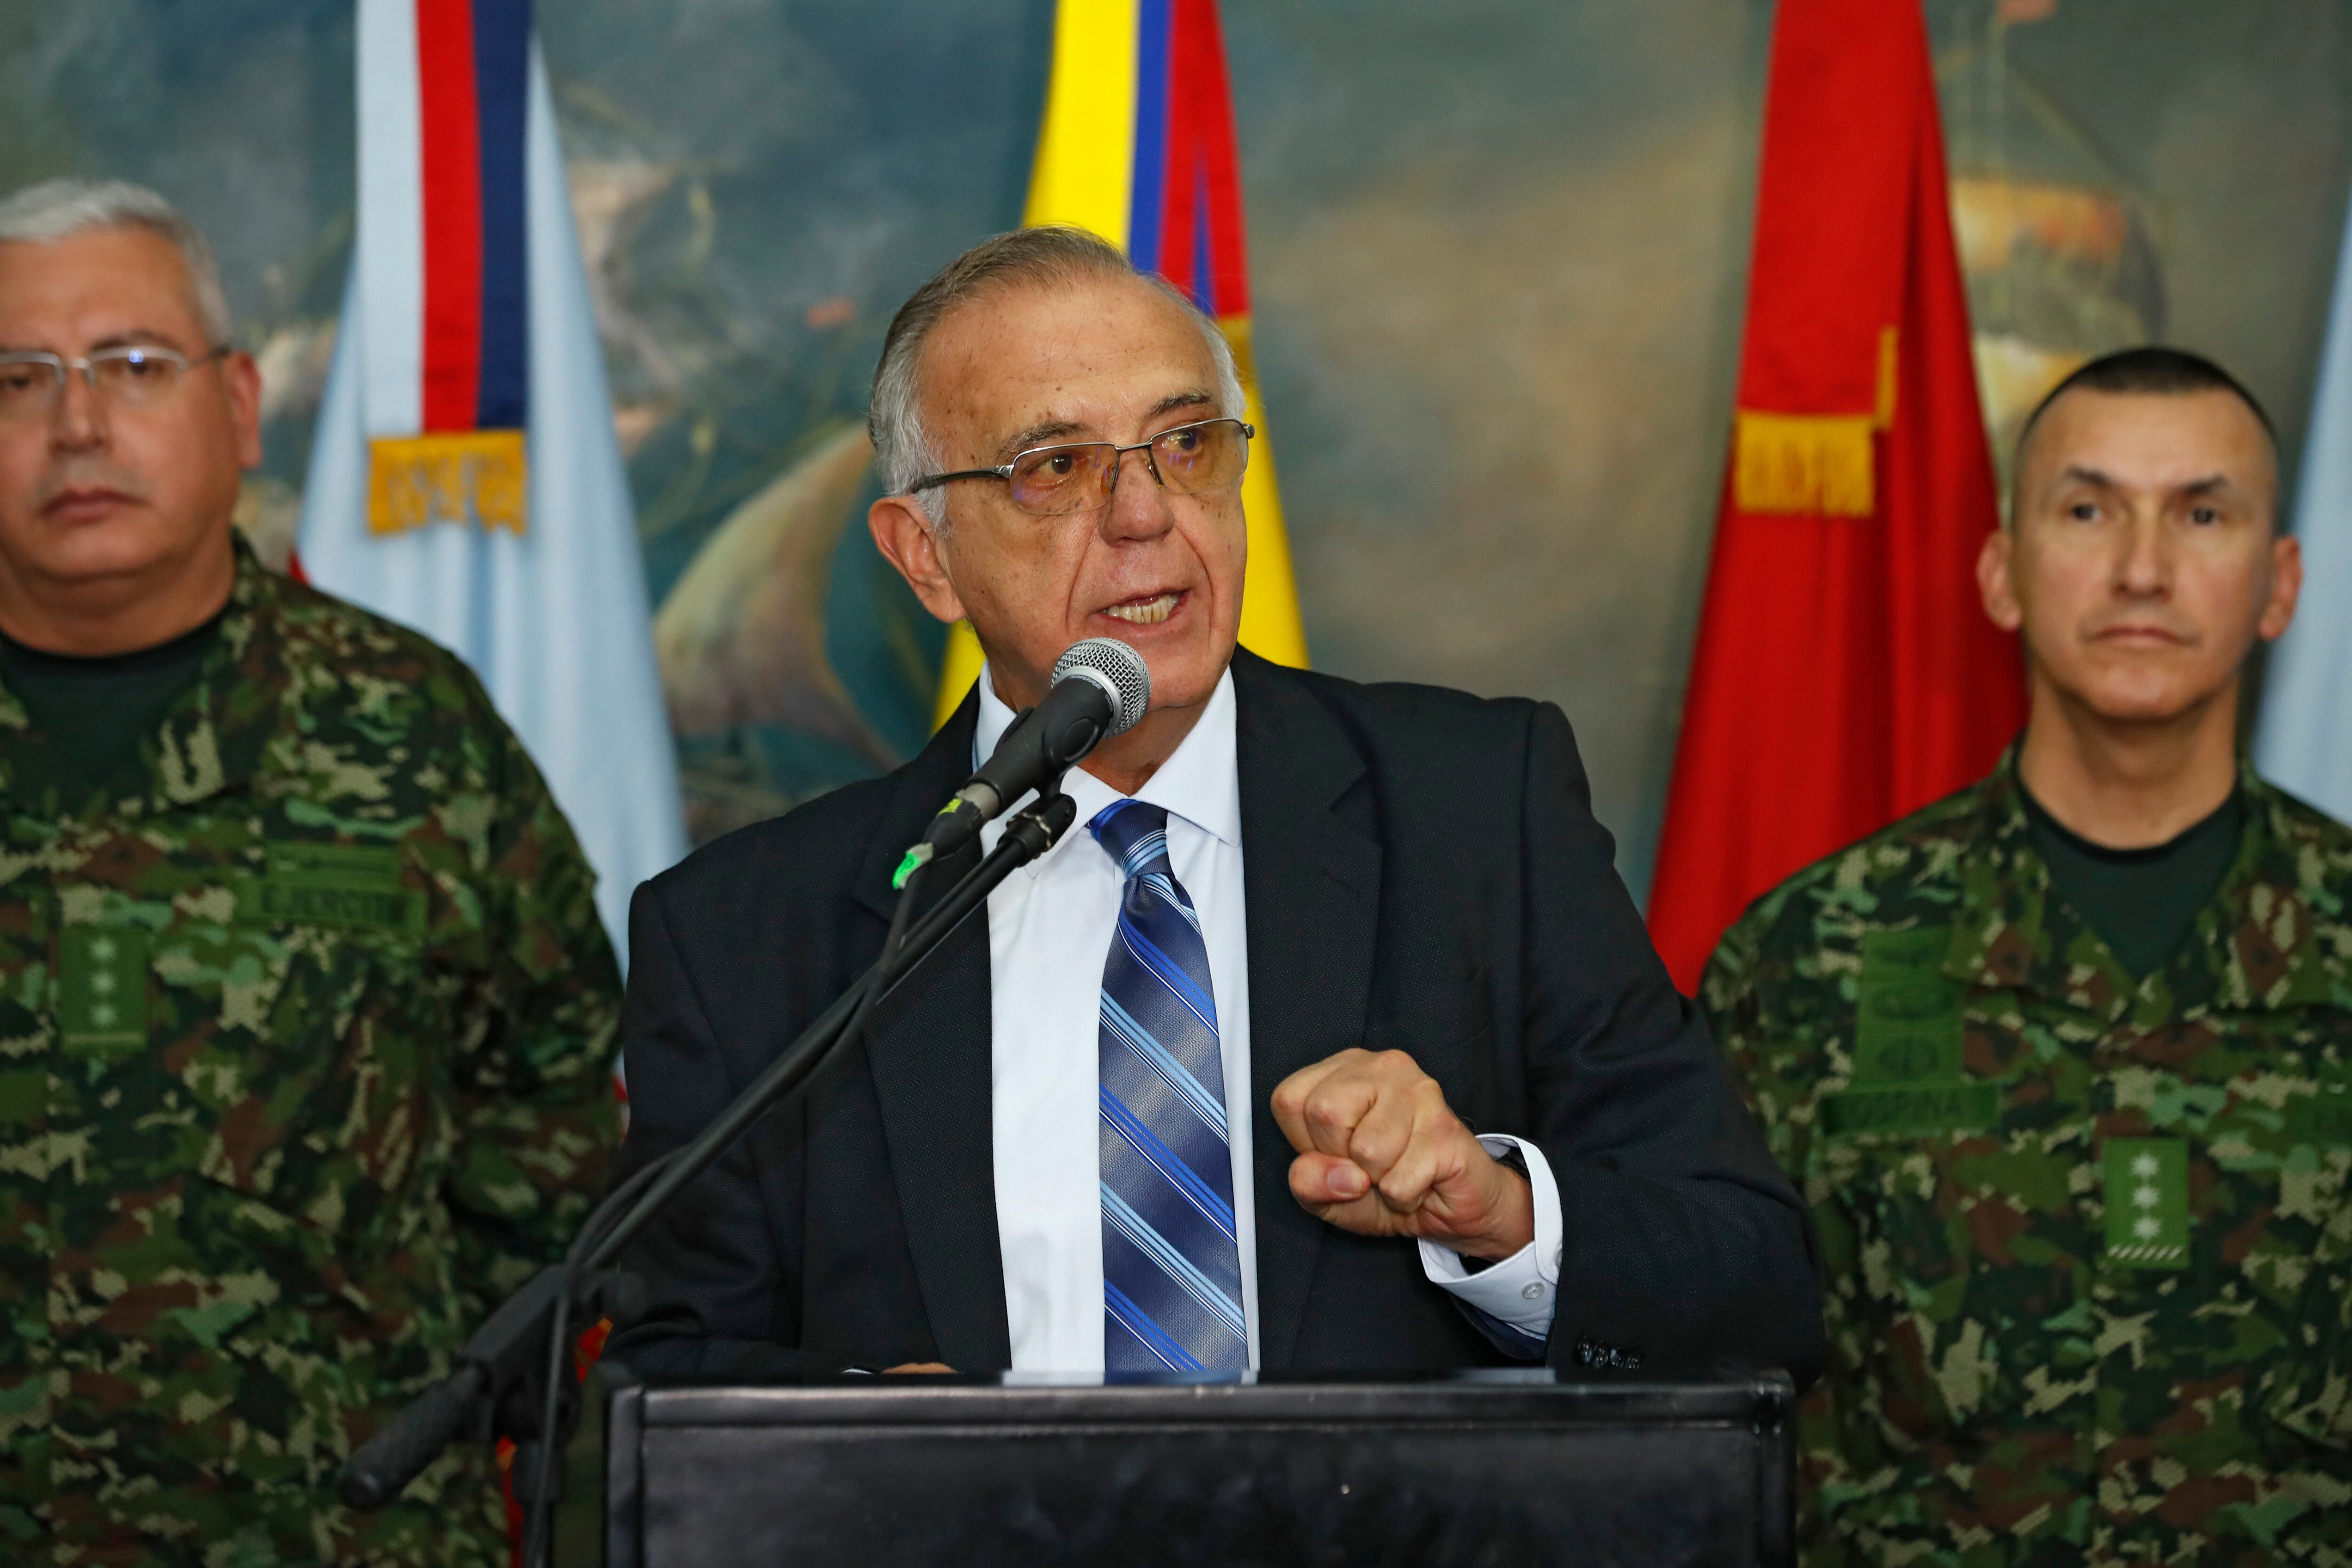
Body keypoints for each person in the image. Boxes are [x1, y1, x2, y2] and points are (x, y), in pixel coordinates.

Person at [611, 225, 1820, 1387]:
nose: (1144, 515)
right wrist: (854, 1439)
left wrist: (1499, 1213)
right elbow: (658, 1388)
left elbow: (1752, 1284)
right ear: (923, 555)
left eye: (1186, 444)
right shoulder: (744, 935)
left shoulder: (1474, 810)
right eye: (1054, 468)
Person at [0, 178, 622, 1566]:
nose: (77, 424)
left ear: (236, 405)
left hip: (342, 1529)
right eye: (18, 378)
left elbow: (559, 1115)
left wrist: (417, 1395)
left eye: (134, 366)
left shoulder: (410, 728)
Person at [1705, 346, 2352, 1565]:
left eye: (2201, 513)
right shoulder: (1807, 961)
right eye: (2088, 508)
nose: (2144, 568)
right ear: (2004, 573)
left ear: (2281, 584)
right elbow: (1714, 1390)